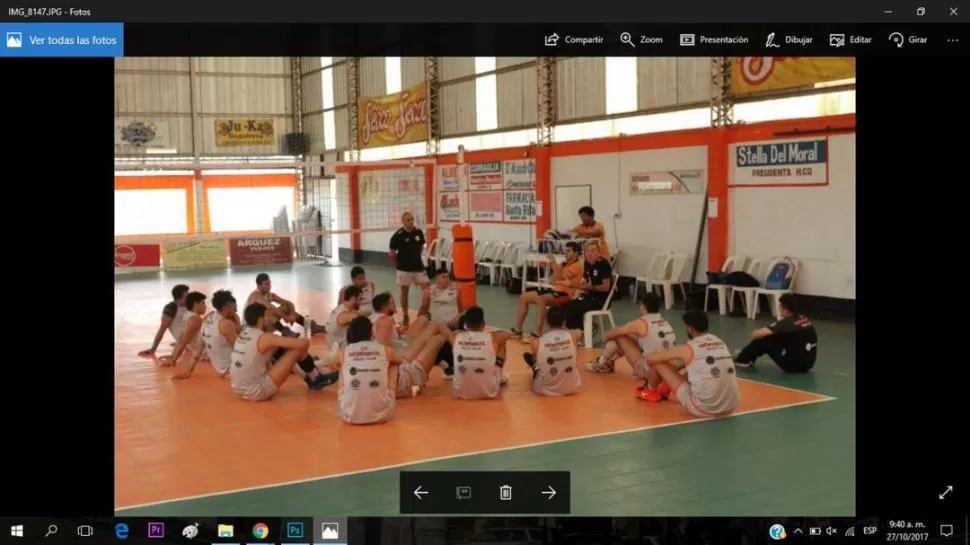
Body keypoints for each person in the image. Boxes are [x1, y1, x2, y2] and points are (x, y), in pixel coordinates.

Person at [636, 310, 740, 418]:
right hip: (731, 407)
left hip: (704, 409)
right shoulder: (720, 341)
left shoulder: (689, 348)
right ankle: (665, 389)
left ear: (690, 328)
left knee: (660, 364)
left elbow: (652, 359)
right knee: (694, 370)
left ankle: (649, 391)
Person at [229, 303, 339, 401]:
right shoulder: (265, 338)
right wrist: (304, 337)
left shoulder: (243, 334)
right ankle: (316, 379)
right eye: (267, 316)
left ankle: (313, 379)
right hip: (257, 391)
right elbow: (303, 345)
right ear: (261, 320)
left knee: (279, 350)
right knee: (296, 350)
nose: (271, 320)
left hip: (238, 389)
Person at [585, 292, 676, 377]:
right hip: (667, 371)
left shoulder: (642, 323)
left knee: (620, 336)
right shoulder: (665, 322)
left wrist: (606, 339)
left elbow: (613, 333)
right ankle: (607, 361)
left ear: (643, 307)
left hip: (650, 373)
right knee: (633, 337)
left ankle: (603, 361)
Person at [335, 317, 401, 424]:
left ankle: (350, 401)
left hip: (348, 415)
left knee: (342, 366)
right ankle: (389, 394)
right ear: (371, 333)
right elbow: (400, 360)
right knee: (393, 364)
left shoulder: (344, 352)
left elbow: (333, 363)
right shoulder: (385, 349)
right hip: (384, 414)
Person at [511, 242, 584, 338]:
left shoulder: (577, 265)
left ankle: (537, 332)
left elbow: (560, 277)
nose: (565, 253)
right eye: (565, 251)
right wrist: (555, 271)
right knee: (524, 297)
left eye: (569, 251)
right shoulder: (563, 264)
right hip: (555, 290)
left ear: (576, 253)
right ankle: (518, 329)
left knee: (541, 299)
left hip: (566, 294)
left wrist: (553, 262)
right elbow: (553, 281)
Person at [734, 293, 818, 372]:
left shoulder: (785, 323)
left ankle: (742, 360)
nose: (779, 308)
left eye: (781, 306)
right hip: (808, 364)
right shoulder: (805, 319)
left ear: (786, 310)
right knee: (782, 335)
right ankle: (747, 354)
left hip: (792, 366)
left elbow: (756, 335)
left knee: (763, 339)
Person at [452, 306, 511, 400]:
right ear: (483, 324)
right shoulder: (493, 337)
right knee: (502, 344)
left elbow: (447, 326)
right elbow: (507, 333)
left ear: (465, 323)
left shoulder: (455, 336)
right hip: (489, 391)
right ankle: (499, 375)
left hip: (460, 392)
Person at [524, 306, 582, 396]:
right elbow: (579, 331)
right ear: (564, 321)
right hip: (571, 387)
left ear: (547, 322)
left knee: (538, 360)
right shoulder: (574, 335)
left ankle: (534, 366)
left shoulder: (536, 342)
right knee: (574, 347)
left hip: (545, 390)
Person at [247, 273, 326, 338]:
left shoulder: (269, 295)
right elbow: (271, 308)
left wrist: (291, 314)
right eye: (266, 284)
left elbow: (289, 303)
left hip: (265, 324)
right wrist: (286, 318)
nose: (269, 286)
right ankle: (285, 331)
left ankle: (311, 326)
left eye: (270, 283)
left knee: (285, 307)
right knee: (269, 311)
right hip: (254, 327)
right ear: (259, 286)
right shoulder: (255, 296)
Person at [388, 211, 430, 326]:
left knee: (428, 290)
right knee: (404, 292)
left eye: (412, 219)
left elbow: (421, 247)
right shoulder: (398, 235)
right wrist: (400, 262)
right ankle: (405, 315)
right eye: (408, 220)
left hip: (418, 267)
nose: (411, 221)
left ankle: (423, 313)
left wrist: (415, 258)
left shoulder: (418, 232)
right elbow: (391, 253)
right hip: (404, 269)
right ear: (403, 221)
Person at [562, 242, 613, 332]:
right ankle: (579, 331)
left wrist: (588, 287)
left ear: (598, 253)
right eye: (587, 251)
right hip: (590, 296)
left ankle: (581, 332)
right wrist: (577, 293)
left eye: (593, 251)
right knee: (568, 305)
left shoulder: (603, 264)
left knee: (575, 309)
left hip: (601, 299)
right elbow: (584, 281)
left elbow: (606, 287)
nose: (589, 254)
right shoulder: (587, 263)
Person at [158, 291, 208, 378]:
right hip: (207, 352)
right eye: (203, 303)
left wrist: (173, 357)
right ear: (195, 304)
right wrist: (173, 360)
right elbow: (183, 342)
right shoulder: (195, 320)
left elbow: (181, 339)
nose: (205, 306)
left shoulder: (187, 315)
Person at [138, 284, 190, 358]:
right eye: (187, 296)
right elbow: (162, 330)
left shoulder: (189, 306)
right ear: (178, 299)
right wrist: (153, 349)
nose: (190, 298)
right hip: (188, 341)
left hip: (189, 338)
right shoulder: (171, 308)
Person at [200, 290, 241, 377]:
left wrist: (188, 372)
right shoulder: (226, 324)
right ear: (226, 308)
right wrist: (238, 323)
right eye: (234, 308)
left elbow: (198, 349)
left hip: (220, 368)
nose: (236, 311)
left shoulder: (208, 318)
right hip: (232, 368)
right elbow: (241, 350)